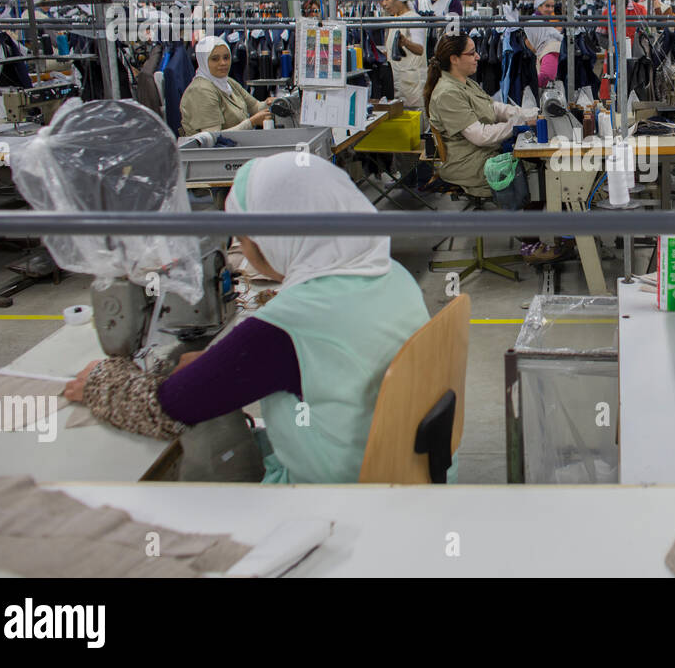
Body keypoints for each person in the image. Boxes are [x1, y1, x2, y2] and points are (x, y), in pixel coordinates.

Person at [64, 153, 432, 484]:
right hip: (407, 471)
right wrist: (216, 366)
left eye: (244, 238)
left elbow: (169, 407)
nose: (244, 250)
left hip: (335, 497)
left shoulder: (287, 326)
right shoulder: (392, 275)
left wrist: (100, 381)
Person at [425, 33, 534, 205]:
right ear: (454, 59)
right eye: (471, 53)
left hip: (480, 154)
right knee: (535, 170)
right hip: (468, 164)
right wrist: (518, 123)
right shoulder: (448, 93)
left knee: (534, 160)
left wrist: (527, 114)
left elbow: (494, 108)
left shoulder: (465, 82)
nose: (478, 56)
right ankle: (529, 226)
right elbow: (480, 135)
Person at [179, 35, 273, 135]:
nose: (223, 63)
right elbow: (213, 136)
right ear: (203, 61)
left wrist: (271, 103)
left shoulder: (227, 82)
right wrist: (251, 122)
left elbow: (255, 106)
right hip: (210, 150)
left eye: (226, 57)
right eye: (215, 59)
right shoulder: (201, 90)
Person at [378, 0, 428, 110]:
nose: (383, 4)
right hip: (398, 80)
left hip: (412, 83)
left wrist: (405, 42)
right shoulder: (395, 19)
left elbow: (420, 50)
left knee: (416, 119)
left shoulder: (414, 19)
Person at [525, 0, 564, 88]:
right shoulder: (535, 23)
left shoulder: (541, 22)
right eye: (547, 6)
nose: (551, 9)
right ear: (539, 6)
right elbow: (546, 76)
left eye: (552, 6)